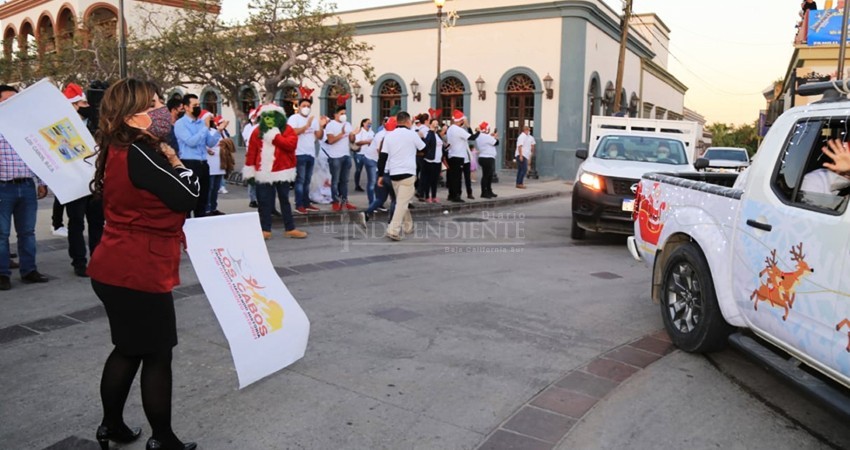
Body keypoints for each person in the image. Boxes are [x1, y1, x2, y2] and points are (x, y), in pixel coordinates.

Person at [87, 78, 198, 450]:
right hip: (138, 270)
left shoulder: (118, 149)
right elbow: (189, 195)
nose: (162, 109)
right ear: (132, 115)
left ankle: (111, 426)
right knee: (156, 355)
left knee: (129, 348)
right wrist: (177, 161)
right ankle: (163, 439)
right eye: (152, 103)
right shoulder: (143, 154)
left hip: (115, 265)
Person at [0, 85, 50, 291]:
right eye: (7, 99)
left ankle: (29, 270)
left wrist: (42, 182)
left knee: (27, 232)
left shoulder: (26, 126)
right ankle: (2, 274)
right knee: (1, 234)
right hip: (3, 187)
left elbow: (40, 154)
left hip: (27, 186)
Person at [243, 104, 308, 240]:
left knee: (285, 200)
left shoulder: (287, 129)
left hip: (282, 170)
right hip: (263, 172)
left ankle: (290, 228)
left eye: (272, 116)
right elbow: (252, 152)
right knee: (264, 202)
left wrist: (274, 137)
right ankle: (265, 229)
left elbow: (291, 145)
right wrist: (249, 170)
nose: (268, 120)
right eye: (266, 117)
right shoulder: (256, 131)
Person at [63, 83, 105, 277]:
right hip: (74, 183)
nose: (87, 105)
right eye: (82, 102)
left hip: (95, 183)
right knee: (76, 223)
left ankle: (97, 259)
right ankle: (79, 261)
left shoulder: (95, 124)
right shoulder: (64, 128)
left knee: (96, 223)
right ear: (73, 105)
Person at [174, 94, 224, 218]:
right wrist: (205, 128)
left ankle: (201, 224)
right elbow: (191, 142)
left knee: (203, 199)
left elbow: (210, 142)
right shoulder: (180, 124)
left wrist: (218, 131)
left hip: (203, 163)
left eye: (198, 105)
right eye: (194, 106)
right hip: (189, 163)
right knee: (189, 198)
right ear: (186, 107)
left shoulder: (201, 123)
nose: (197, 108)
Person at [376, 112, 425, 240]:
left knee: (401, 201)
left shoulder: (389, 136)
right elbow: (423, 148)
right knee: (402, 203)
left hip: (394, 173)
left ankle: (408, 226)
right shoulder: (412, 134)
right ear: (408, 121)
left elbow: (382, 157)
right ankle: (393, 230)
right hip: (408, 173)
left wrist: (380, 174)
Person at [288, 93, 326, 214]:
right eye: (304, 105)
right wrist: (307, 126)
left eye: (308, 106)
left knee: (307, 180)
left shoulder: (313, 120)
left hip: (310, 153)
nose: (306, 108)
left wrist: (321, 126)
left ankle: (306, 202)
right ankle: (298, 204)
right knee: (300, 180)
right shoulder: (294, 119)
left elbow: (318, 136)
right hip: (299, 153)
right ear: (298, 107)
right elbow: (293, 132)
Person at [359, 117, 397, 226]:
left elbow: (380, 155)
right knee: (395, 198)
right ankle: (392, 223)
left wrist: (380, 173)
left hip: (381, 170)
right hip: (391, 171)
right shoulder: (394, 137)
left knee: (380, 198)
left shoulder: (381, 134)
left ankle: (366, 213)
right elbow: (381, 153)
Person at [323, 103, 356, 211]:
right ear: (336, 115)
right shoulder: (330, 125)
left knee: (345, 181)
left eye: (345, 113)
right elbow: (331, 140)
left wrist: (353, 135)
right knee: (335, 180)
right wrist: (341, 134)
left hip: (346, 155)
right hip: (335, 157)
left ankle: (345, 201)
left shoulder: (348, 124)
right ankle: (335, 201)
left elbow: (351, 140)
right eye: (341, 113)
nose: (344, 115)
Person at [446, 110, 479, 202]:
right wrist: (476, 130)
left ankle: (451, 194)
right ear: (460, 121)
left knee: (453, 177)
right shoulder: (458, 130)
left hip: (452, 155)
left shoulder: (450, 128)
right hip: (458, 155)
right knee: (457, 178)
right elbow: (472, 137)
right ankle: (457, 196)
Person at [206, 116, 230, 216]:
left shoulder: (216, 131)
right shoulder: (204, 131)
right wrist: (206, 149)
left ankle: (213, 207)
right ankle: (207, 208)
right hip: (209, 163)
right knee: (209, 188)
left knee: (215, 188)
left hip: (219, 162)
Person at [421, 119, 444, 203]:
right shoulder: (429, 134)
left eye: (437, 124)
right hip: (430, 160)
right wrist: (431, 131)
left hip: (438, 160)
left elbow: (441, 146)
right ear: (430, 125)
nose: (436, 125)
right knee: (428, 179)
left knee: (435, 179)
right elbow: (426, 143)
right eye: (434, 124)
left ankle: (434, 196)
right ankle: (427, 196)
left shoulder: (437, 135)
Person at [242, 108, 260, 208]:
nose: (254, 118)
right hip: (250, 154)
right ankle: (252, 199)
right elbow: (246, 140)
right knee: (252, 179)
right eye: (252, 117)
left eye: (255, 116)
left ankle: (259, 198)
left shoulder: (259, 126)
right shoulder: (247, 127)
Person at [475, 122, 499, 199]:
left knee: (488, 176)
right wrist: (495, 137)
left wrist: (491, 136)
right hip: (487, 158)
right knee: (486, 176)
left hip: (483, 157)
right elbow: (496, 143)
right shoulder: (486, 137)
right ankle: (484, 192)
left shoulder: (480, 136)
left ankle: (488, 190)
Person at [353, 118, 375, 200]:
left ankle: (371, 185)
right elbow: (357, 142)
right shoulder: (360, 131)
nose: (369, 124)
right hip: (360, 154)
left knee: (369, 171)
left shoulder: (371, 132)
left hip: (368, 154)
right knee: (358, 170)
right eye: (368, 123)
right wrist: (367, 142)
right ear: (363, 123)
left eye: (370, 123)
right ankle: (357, 185)